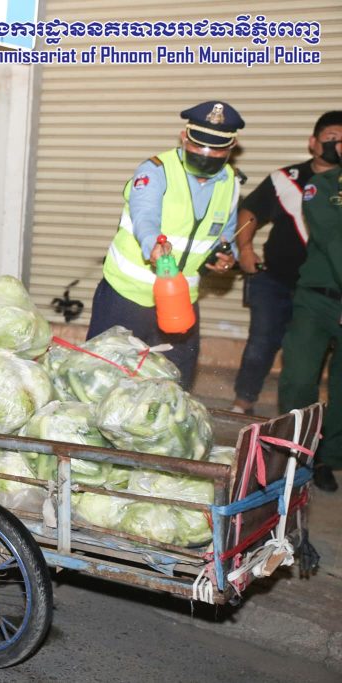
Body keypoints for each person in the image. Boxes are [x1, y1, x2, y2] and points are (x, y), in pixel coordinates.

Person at [87, 101, 244, 389]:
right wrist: (152, 245)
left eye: (216, 149)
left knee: (173, 386)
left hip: (181, 300)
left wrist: (227, 257)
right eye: (199, 145)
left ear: (231, 147)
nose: (206, 154)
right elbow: (144, 216)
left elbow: (227, 234)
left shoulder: (231, 184)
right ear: (184, 138)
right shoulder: (156, 171)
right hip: (127, 295)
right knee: (102, 380)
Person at [231, 112, 342, 415]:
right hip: (277, 281)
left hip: (326, 289)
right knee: (262, 342)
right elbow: (250, 212)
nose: (336, 145)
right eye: (331, 138)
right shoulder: (286, 179)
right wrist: (245, 249)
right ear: (313, 142)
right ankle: (242, 404)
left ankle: (314, 423)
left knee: (310, 360)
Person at [278, 133, 342, 493]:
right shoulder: (322, 186)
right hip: (318, 299)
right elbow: (333, 239)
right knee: (299, 378)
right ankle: (292, 455)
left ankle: (326, 458)